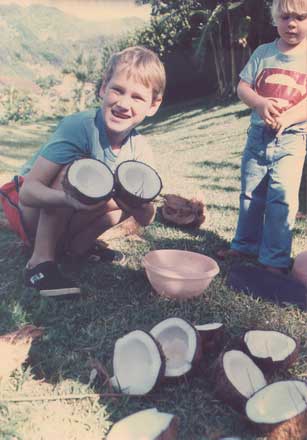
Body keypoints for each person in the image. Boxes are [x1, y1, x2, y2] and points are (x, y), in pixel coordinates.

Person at [0, 46, 166, 297]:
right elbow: (29, 193)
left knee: (128, 195)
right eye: (117, 90)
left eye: (137, 97)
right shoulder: (78, 127)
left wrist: (136, 201)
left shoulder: (140, 149)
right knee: (74, 173)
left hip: (70, 214)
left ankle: (78, 248)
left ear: (153, 105)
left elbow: (146, 218)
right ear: (103, 89)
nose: (123, 103)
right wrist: (68, 199)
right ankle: (40, 262)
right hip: (30, 212)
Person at [218, 0, 307, 274]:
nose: (292, 23)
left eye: (301, 17)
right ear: (275, 19)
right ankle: (244, 245)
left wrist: (288, 117)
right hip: (258, 136)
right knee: (250, 193)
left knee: (282, 197)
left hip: (292, 138)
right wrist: (259, 104)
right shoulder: (263, 53)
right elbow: (243, 87)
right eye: (285, 17)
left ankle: (274, 259)